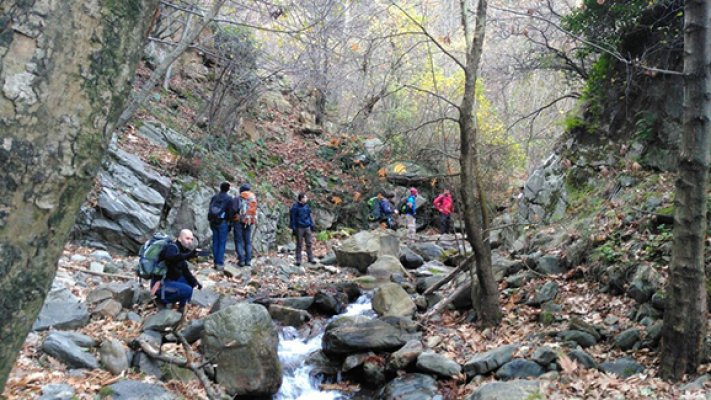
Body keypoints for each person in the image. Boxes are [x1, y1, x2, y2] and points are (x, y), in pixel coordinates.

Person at [151, 229, 202, 313]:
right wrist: (189, 255)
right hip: (159, 284)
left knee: (190, 284)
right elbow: (171, 257)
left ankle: (181, 308)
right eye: (187, 238)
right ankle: (161, 300)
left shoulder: (181, 250)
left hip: (170, 279)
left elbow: (185, 271)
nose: (190, 241)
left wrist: (196, 283)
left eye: (191, 239)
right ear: (180, 238)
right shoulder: (171, 247)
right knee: (187, 290)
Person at [208, 181, 232, 270]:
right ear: (228, 189)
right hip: (223, 222)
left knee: (215, 242)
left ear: (220, 188)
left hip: (213, 221)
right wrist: (230, 223)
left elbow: (210, 208)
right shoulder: (229, 199)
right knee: (222, 243)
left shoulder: (214, 197)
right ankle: (220, 263)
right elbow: (230, 212)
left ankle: (215, 262)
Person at [289, 192, 316, 266]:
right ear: (302, 199)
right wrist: (293, 228)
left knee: (309, 243)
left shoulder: (307, 206)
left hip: (307, 227)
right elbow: (293, 218)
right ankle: (298, 260)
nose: (306, 199)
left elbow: (309, 216)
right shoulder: (295, 207)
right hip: (299, 228)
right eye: (305, 197)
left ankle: (311, 258)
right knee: (299, 244)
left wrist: (311, 224)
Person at [234, 183, 257, 267]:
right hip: (249, 221)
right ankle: (248, 260)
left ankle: (241, 260)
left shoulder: (239, 198)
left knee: (239, 240)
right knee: (247, 241)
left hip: (238, 221)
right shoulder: (252, 198)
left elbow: (235, 209)